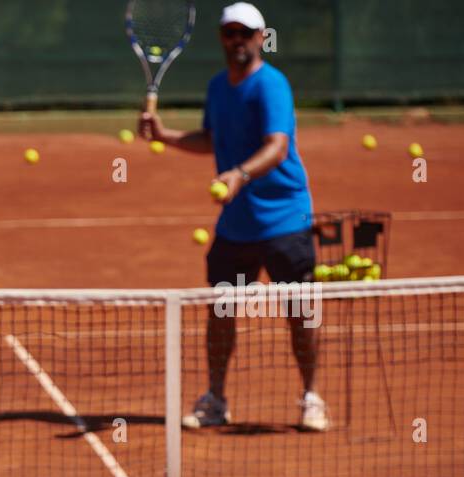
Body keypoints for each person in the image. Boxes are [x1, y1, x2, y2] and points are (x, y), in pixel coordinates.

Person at [140, 2, 329, 431]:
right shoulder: (218, 88)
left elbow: (277, 146)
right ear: (222, 38)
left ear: (261, 38)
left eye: (247, 33)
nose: (238, 41)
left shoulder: (271, 86)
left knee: (300, 312)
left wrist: (241, 174)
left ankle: (312, 396)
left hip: (284, 220)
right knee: (221, 310)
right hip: (237, 225)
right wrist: (165, 135)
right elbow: (210, 139)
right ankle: (217, 399)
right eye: (231, 33)